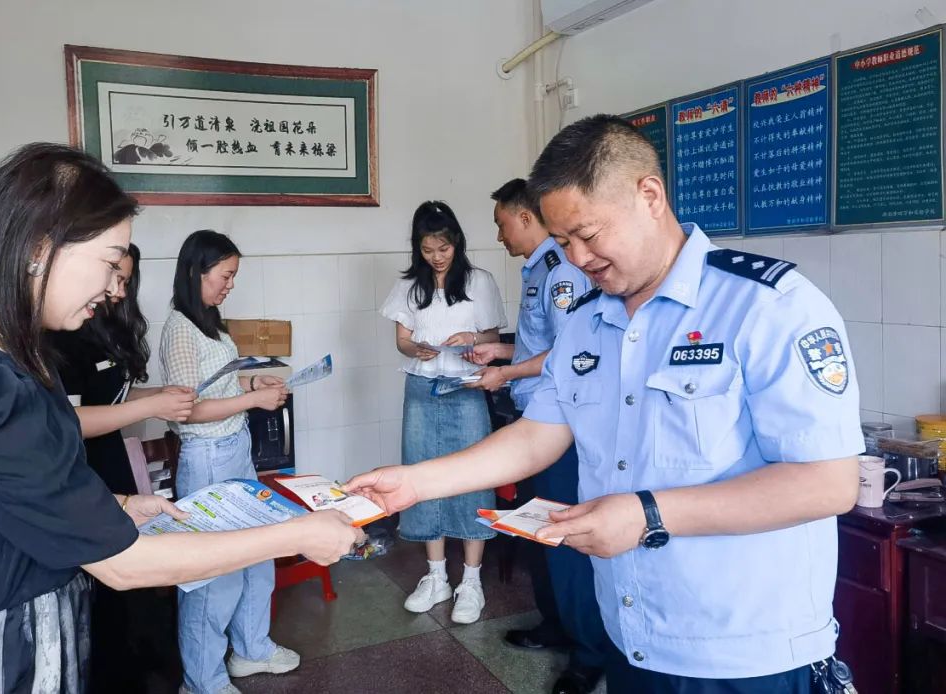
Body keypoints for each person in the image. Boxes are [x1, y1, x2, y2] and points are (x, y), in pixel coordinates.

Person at [348, 115, 861, 694]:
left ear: (649, 196)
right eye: (564, 242)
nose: (579, 257)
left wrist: (647, 516)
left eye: (588, 235)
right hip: (634, 633)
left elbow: (828, 483)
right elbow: (536, 435)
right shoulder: (591, 322)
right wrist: (415, 483)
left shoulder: (768, 307)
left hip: (745, 651)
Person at [0, 143, 361, 694]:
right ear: (41, 246)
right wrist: (291, 534)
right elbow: (124, 565)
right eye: (111, 263)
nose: (116, 287)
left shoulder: (4, 357)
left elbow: (13, 489)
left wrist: (120, 505)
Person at [466, 178, 606, 694]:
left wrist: (508, 373)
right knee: (537, 530)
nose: (499, 234)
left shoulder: (561, 272)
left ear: (525, 218)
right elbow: (537, 343)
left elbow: (571, 353)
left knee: (565, 537)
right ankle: (556, 625)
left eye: (502, 224)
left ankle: (589, 653)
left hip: (559, 425)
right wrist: (499, 355)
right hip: (533, 417)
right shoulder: (537, 271)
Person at [49, 242, 196, 693]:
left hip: (115, 464)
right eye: (112, 274)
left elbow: (110, 399)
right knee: (102, 586)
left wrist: (155, 397)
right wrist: (145, 408)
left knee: (126, 588)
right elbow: (69, 420)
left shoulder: (107, 325)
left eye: (126, 279)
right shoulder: (62, 334)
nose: (117, 288)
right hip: (83, 469)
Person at [159, 229, 295, 694]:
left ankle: (252, 649)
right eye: (225, 275)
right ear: (197, 271)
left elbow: (214, 387)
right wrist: (250, 404)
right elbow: (187, 409)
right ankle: (202, 681)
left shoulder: (209, 321)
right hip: (207, 458)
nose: (230, 284)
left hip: (234, 449)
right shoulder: (179, 327)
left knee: (256, 555)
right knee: (212, 576)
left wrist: (253, 388)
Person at [379, 200, 507, 625]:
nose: (437, 256)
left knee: (473, 477)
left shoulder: (479, 281)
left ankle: (471, 580)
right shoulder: (409, 286)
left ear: (457, 243)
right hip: (421, 388)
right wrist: (415, 348)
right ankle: (436, 576)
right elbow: (402, 339)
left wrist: (473, 336)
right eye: (428, 249)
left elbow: (492, 335)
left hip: (466, 386)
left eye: (444, 247)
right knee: (420, 475)